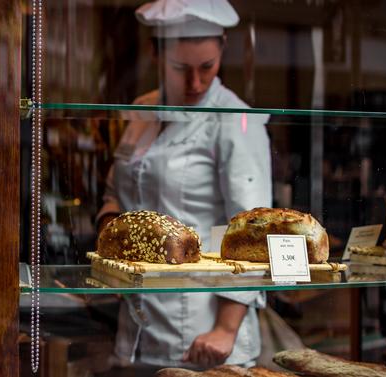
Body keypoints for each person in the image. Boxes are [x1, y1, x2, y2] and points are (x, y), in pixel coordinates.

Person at [95, 0, 272, 372]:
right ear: (155, 55)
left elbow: (251, 235)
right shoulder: (142, 111)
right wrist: (110, 235)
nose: (195, 83)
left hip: (203, 337)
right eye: (180, 69)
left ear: (223, 49)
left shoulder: (235, 120)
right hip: (137, 330)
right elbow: (116, 193)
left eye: (207, 67)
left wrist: (224, 329)